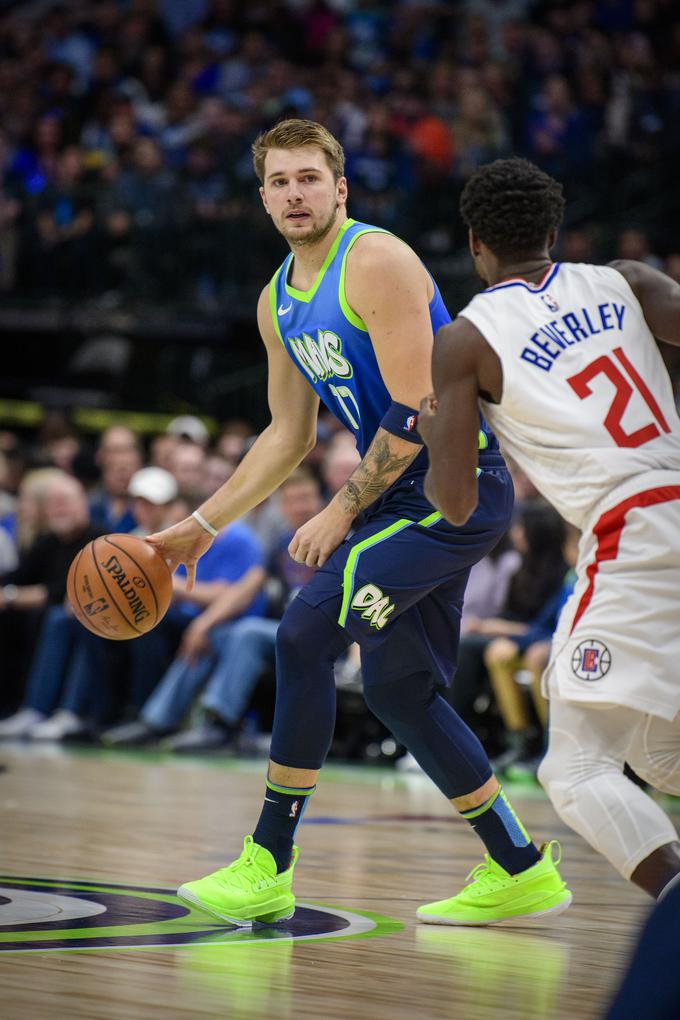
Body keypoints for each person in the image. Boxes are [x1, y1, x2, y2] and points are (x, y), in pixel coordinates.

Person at [146, 120, 570, 927]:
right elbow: (287, 436)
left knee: (303, 635)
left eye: (310, 178)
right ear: (262, 196)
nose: (295, 194)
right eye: (279, 181)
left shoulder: (374, 259)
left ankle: (269, 860)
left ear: (341, 188)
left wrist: (341, 509)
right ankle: (520, 866)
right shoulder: (277, 301)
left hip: (452, 494)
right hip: (401, 504)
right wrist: (201, 524)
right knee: (400, 691)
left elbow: (422, 406)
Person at [419, 156, 680, 901]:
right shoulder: (627, 280)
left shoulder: (466, 339)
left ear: (475, 245)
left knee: (576, 770)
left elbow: (456, 504)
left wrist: (440, 427)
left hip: (635, 531)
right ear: (556, 233)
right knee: (663, 756)